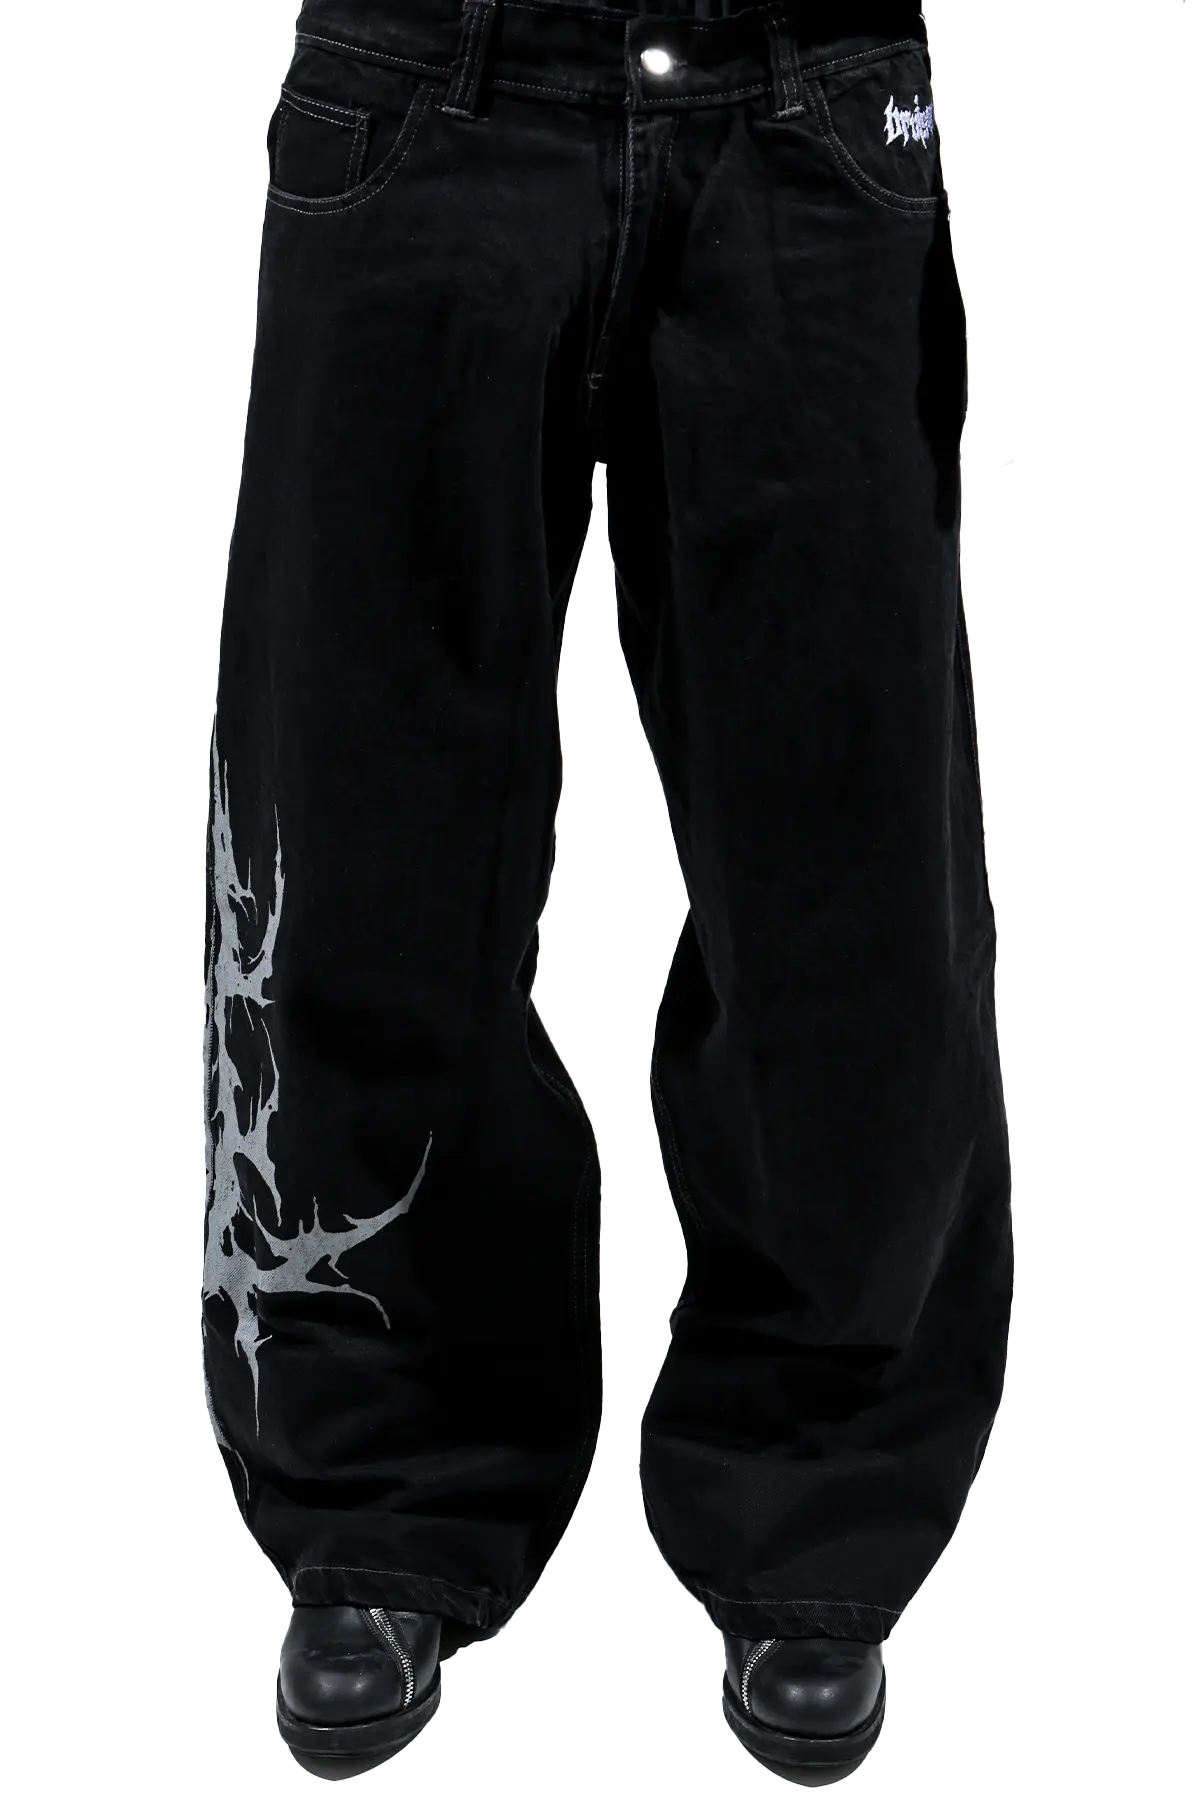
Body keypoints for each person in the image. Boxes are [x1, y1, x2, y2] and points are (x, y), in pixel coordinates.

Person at [201, 1, 1014, 1785]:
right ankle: (382, 1487)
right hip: (423, 77)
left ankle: (818, 1486)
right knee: (357, 823)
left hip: (807, 88)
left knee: (848, 858)